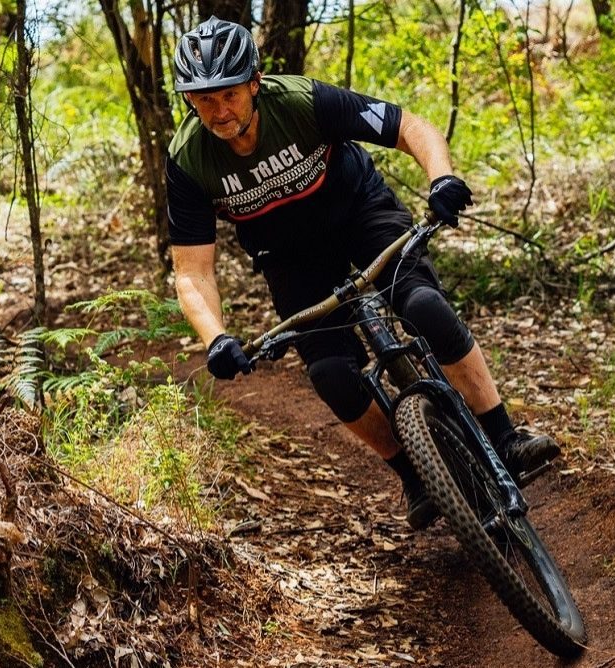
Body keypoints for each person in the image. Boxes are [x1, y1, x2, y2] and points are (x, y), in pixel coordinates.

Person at [167, 16, 560, 530]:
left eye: (229, 95)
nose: (218, 111)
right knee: (332, 374)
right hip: (290, 256)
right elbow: (192, 271)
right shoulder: (189, 160)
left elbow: (407, 126)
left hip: (359, 212)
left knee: (423, 306)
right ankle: (416, 475)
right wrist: (215, 338)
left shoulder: (304, 101)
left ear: (255, 84)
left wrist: (441, 178)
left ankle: (505, 436)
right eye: (203, 99)